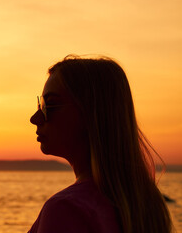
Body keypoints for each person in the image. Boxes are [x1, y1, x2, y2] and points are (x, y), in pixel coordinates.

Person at [28, 55, 173, 233]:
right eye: (39, 105)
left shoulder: (66, 209)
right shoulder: (147, 205)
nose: (35, 119)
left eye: (49, 106)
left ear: (91, 113)